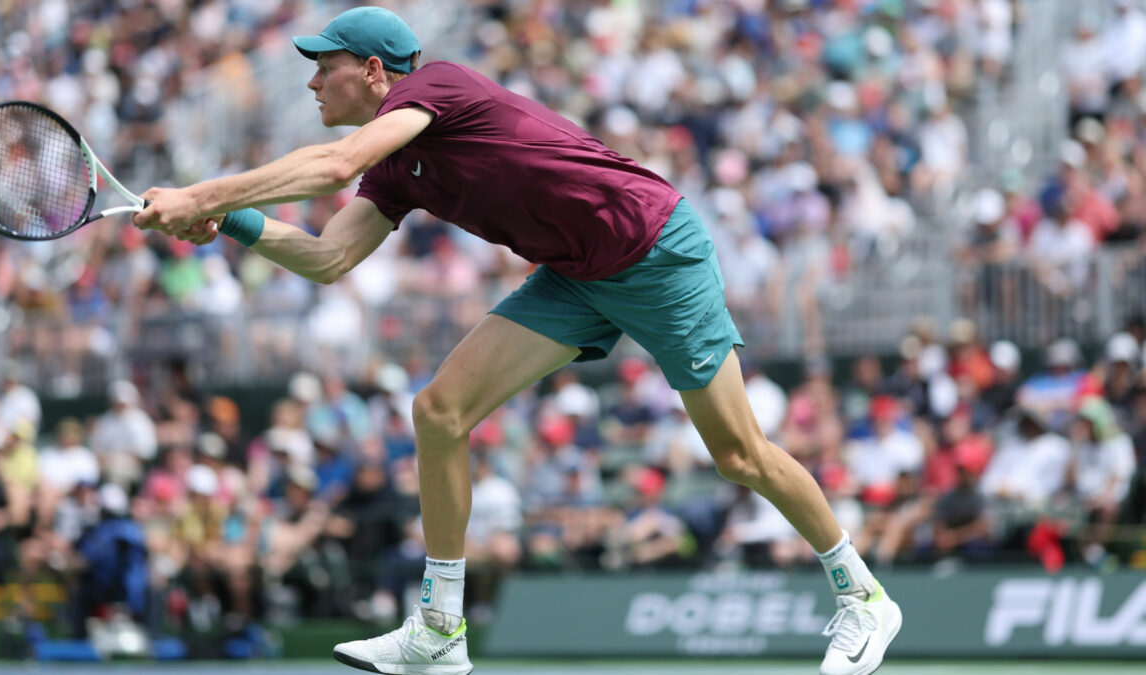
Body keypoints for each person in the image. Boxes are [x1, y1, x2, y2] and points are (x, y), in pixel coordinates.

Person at [133, 7, 901, 674]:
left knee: (738, 455)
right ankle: (439, 628)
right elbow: (330, 256)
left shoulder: (436, 87)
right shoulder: (396, 167)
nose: (311, 85)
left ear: (373, 71)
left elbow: (333, 164)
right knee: (438, 411)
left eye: (323, 69)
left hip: (654, 248)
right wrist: (227, 222)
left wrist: (202, 191)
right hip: (574, 273)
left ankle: (864, 596)